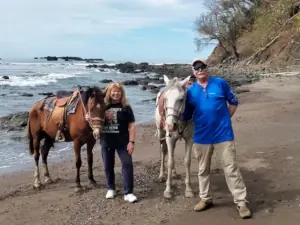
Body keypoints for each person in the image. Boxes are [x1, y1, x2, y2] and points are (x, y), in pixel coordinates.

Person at [182, 57, 252, 219]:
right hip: (201, 137)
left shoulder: (220, 83)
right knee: (202, 170)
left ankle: (241, 202)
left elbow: (233, 101)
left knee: (231, 168)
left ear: (207, 68)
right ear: (193, 72)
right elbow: (185, 115)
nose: (200, 69)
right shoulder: (190, 91)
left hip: (223, 135)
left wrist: (226, 120)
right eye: (196, 67)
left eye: (202, 66)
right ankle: (206, 199)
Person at [99, 82, 137, 203]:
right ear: (109, 93)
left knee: (127, 164)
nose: (116, 93)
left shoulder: (126, 107)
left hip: (123, 142)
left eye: (118, 91)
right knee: (108, 166)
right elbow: (95, 121)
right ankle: (111, 188)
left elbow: (132, 126)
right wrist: (89, 119)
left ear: (122, 93)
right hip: (106, 141)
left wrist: (131, 142)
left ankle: (128, 192)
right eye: (113, 91)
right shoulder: (102, 106)